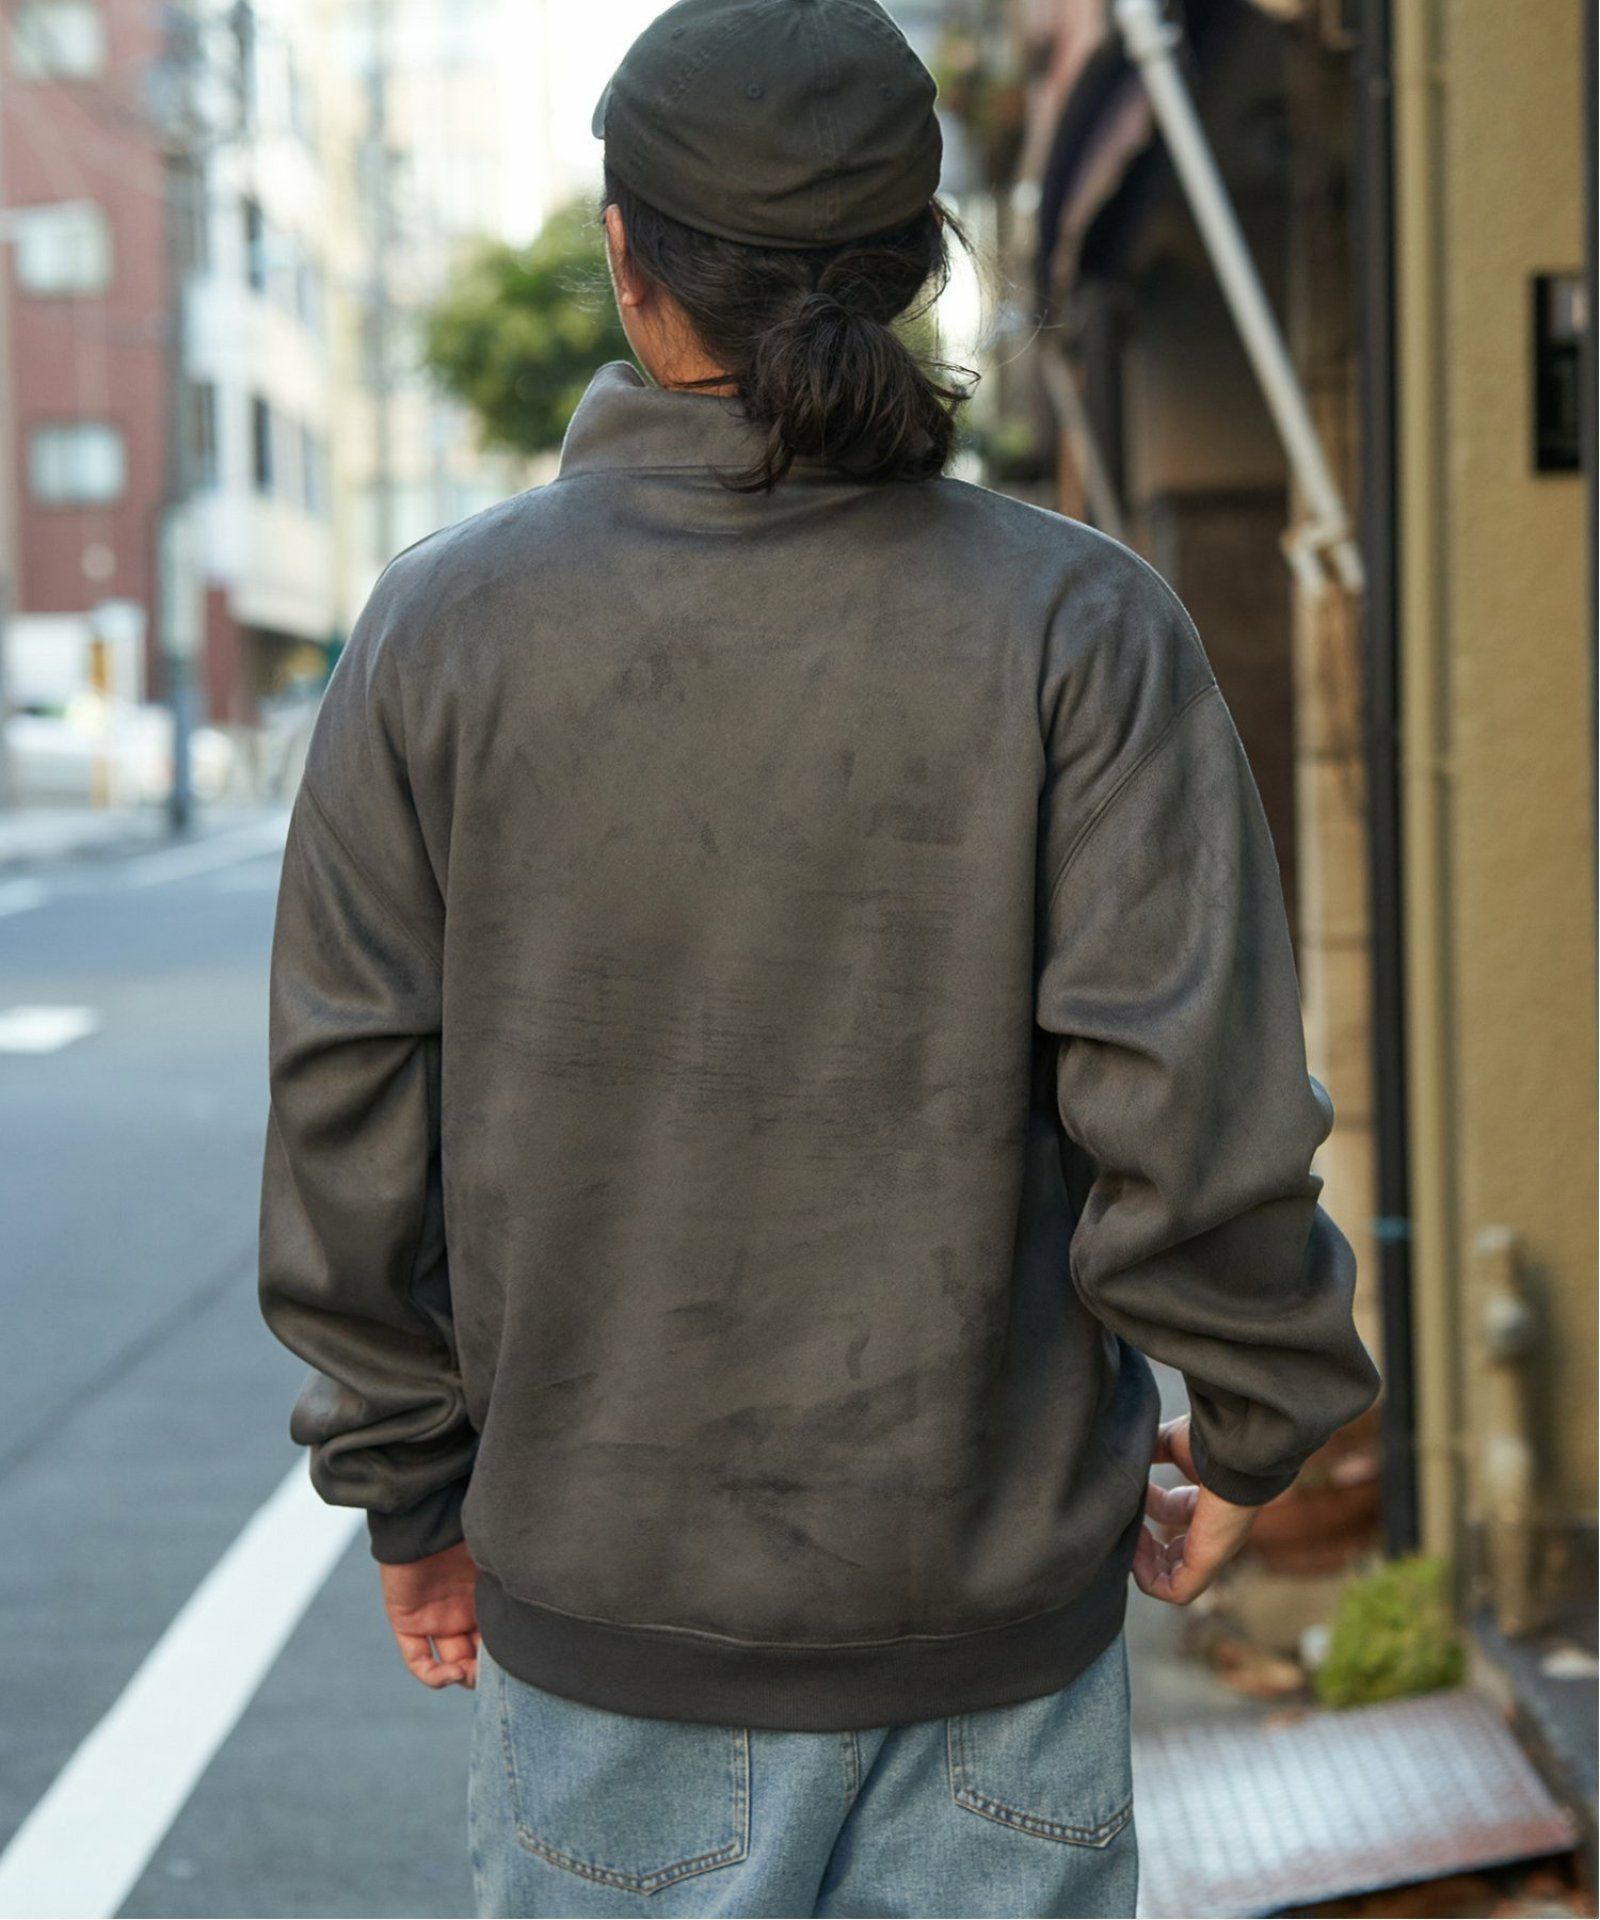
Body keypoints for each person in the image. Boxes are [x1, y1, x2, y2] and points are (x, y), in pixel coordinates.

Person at [259, 2, 1380, 1914]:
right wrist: (1262, 1425)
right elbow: (1187, 1104)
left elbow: (348, 1111)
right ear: (918, 266)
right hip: (992, 1654)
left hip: (607, 1642)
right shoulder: (1080, 624)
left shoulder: (442, 629)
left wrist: (408, 1491)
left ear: (627, 254)